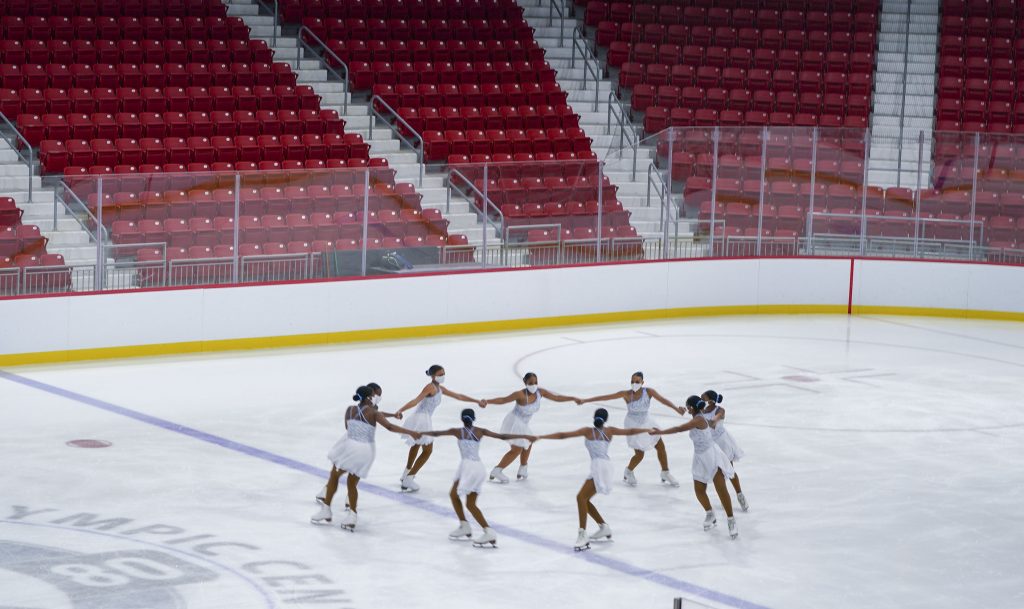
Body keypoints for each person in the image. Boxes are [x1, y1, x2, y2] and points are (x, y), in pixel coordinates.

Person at [536, 408, 655, 551]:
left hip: (599, 467)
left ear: (594, 417)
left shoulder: (588, 431)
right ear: (606, 419)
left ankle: (582, 534)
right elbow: (629, 432)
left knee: (580, 498)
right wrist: (647, 429)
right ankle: (603, 527)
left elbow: (563, 435)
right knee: (584, 499)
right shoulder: (609, 431)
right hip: (604, 466)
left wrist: (541, 436)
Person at [311, 385, 421, 530]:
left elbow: (347, 428)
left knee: (335, 475)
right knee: (351, 482)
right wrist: (410, 432)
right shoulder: (373, 412)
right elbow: (389, 427)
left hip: (350, 447)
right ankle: (351, 514)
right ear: (369, 397)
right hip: (366, 451)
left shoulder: (350, 410)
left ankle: (329, 509)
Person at [420, 409, 536, 547]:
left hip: (468, 467)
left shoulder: (457, 431)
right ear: (474, 419)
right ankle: (465, 525)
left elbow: (436, 433)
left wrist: (418, 432)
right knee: (455, 495)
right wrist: (524, 435)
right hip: (478, 467)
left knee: (468, 503)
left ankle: (487, 531)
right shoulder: (480, 431)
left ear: (462, 419)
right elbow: (502, 436)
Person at [654, 396, 738, 539]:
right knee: (699, 490)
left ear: (692, 408)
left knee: (721, 489)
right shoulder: (698, 416)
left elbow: (679, 428)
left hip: (712, 455)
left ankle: (731, 520)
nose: (686, 408)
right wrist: (680, 409)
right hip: (699, 457)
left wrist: (659, 432)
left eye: (687, 406)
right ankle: (710, 514)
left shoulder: (698, 419)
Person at [580, 371, 684, 487]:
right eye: (632, 381)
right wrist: (586, 400)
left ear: (642, 382)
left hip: (647, 421)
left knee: (660, 446)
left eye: (637, 381)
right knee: (639, 454)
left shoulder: (649, 392)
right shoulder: (626, 394)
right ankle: (628, 471)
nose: (634, 384)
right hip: (632, 424)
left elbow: (663, 400)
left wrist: (676, 409)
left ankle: (665, 472)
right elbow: (606, 397)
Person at [392, 365, 485, 492]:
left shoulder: (440, 389)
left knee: (416, 446)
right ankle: (409, 478)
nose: (443, 376)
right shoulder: (430, 387)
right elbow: (416, 400)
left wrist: (477, 401)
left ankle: (406, 474)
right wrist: (400, 410)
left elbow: (459, 396)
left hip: (423, 418)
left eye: (444, 373)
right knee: (427, 451)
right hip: (421, 419)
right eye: (440, 374)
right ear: (432, 376)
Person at [481, 372, 583, 482]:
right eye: (530, 383)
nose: (534, 385)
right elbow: (503, 400)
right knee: (517, 449)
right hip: (514, 422)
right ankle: (497, 470)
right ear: (525, 382)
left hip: (523, 424)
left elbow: (557, 398)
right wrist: (487, 401)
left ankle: (523, 468)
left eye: (536, 382)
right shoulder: (520, 394)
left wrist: (572, 398)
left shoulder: (540, 392)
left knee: (528, 443)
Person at [701, 390, 748, 512]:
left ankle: (740, 495)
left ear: (710, 400)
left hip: (722, 443)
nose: (701, 402)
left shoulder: (720, 411)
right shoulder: (701, 411)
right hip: (711, 445)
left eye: (703, 399)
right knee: (718, 474)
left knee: (729, 470)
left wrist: (699, 420)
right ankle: (725, 498)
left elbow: (712, 423)